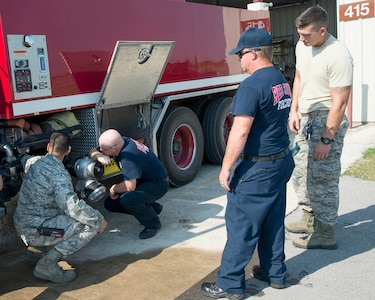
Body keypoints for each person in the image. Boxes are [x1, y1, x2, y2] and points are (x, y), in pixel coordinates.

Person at [201, 28, 295, 300]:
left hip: (259, 168)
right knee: (272, 220)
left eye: (241, 54)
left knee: (241, 224)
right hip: (280, 161)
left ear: (253, 54)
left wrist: (226, 167)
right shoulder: (280, 79)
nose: (239, 60)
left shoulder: (252, 85)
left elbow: (240, 131)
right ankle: (274, 272)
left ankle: (230, 284)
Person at [286, 6, 353, 250]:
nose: (302, 39)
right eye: (300, 34)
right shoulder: (303, 46)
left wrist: (327, 138)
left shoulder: (338, 54)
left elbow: (340, 101)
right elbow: (300, 78)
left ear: (323, 31)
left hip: (325, 120)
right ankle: (309, 218)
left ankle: (325, 232)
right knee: (301, 173)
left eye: (307, 35)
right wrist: (294, 110)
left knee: (323, 179)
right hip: (305, 118)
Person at [13, 132, 107, 283]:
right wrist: (98, 220)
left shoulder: (34, 162)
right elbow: (72, 206)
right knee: (87, 225)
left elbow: (23, 160)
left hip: (22, 224)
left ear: (48, 147)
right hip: (36, 230)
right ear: (68, 150)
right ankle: (47, 264)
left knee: (56, 210)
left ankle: (36, 251)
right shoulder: (60, 175)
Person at [89, 129, 168, 239]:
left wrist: (114, 188)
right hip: (143, 181)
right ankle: (153, 208)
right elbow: (92, 151)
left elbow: (130, 186)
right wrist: (99, 156)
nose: (101, 150)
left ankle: (152, 223)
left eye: (103, 149)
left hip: (158, 184)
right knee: (110, 204)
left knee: (127, 199)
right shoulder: (122, 141)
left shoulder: (129, 157)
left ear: (114, 149)